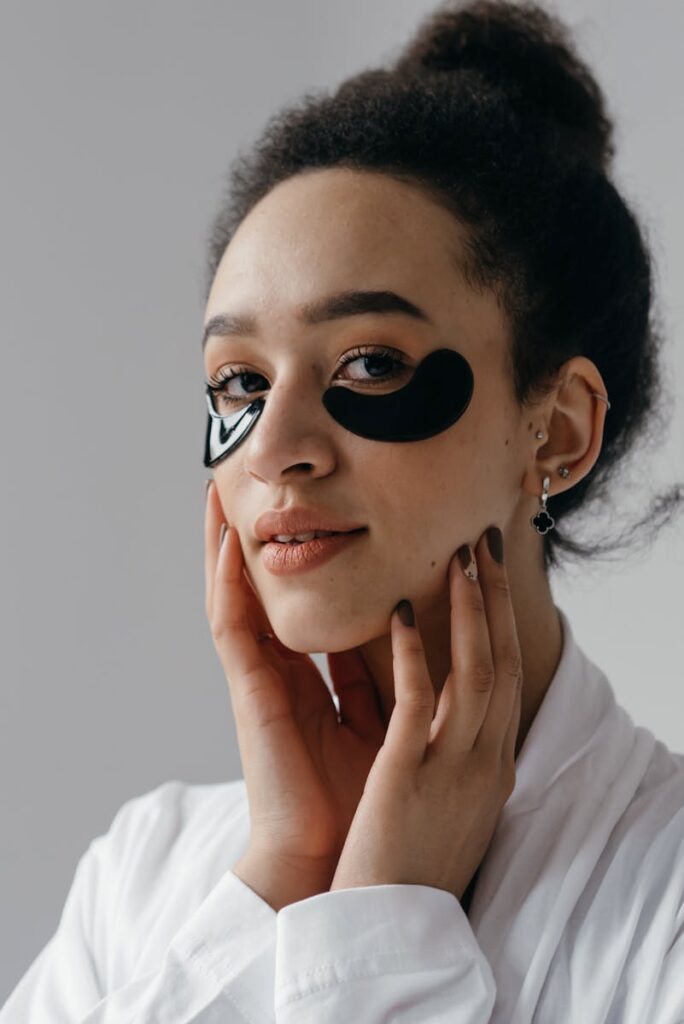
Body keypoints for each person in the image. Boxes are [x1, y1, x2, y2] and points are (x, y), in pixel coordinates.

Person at [3, 0, 684, 1020]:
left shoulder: (665, 899)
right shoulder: (144, 872)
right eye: (238, 381)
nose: (273, 446)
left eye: (368, 363)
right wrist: (287, 874)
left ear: (557, 430)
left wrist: (382, 934)